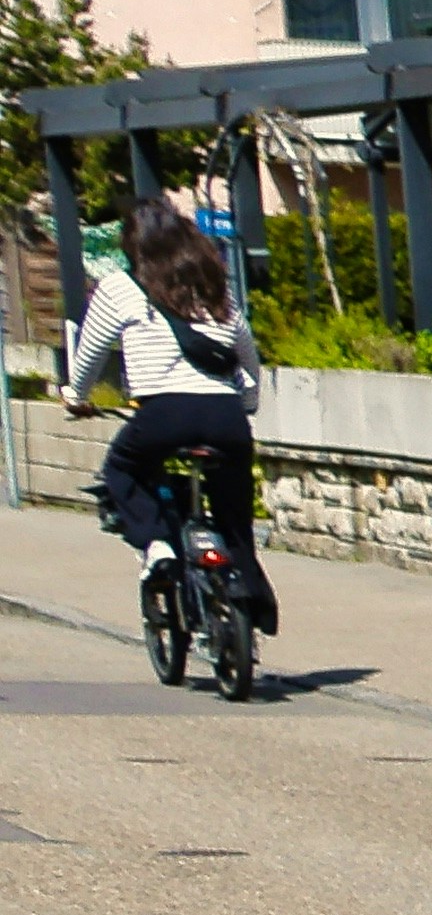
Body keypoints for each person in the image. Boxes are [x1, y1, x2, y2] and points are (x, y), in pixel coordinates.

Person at [70, 216, 272, 639]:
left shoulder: (120, 287)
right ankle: (249, 587)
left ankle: (158, 542)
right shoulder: (214, 287)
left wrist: (75, 394)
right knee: (234, 512)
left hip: (163, 414)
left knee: (121, 470)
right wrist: (248, 403)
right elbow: (246, 353)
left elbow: (89, 354)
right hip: (225, 417)